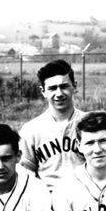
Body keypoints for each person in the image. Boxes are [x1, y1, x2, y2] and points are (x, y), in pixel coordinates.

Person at [19, 59, 88, 191]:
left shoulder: (90, 123)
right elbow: (26, 173)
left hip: (87, 198)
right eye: (52, 88)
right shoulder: (31, 130)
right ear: (43, 91)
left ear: (75, 86)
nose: (59, 94)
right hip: (47, 199)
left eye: (64, 86)